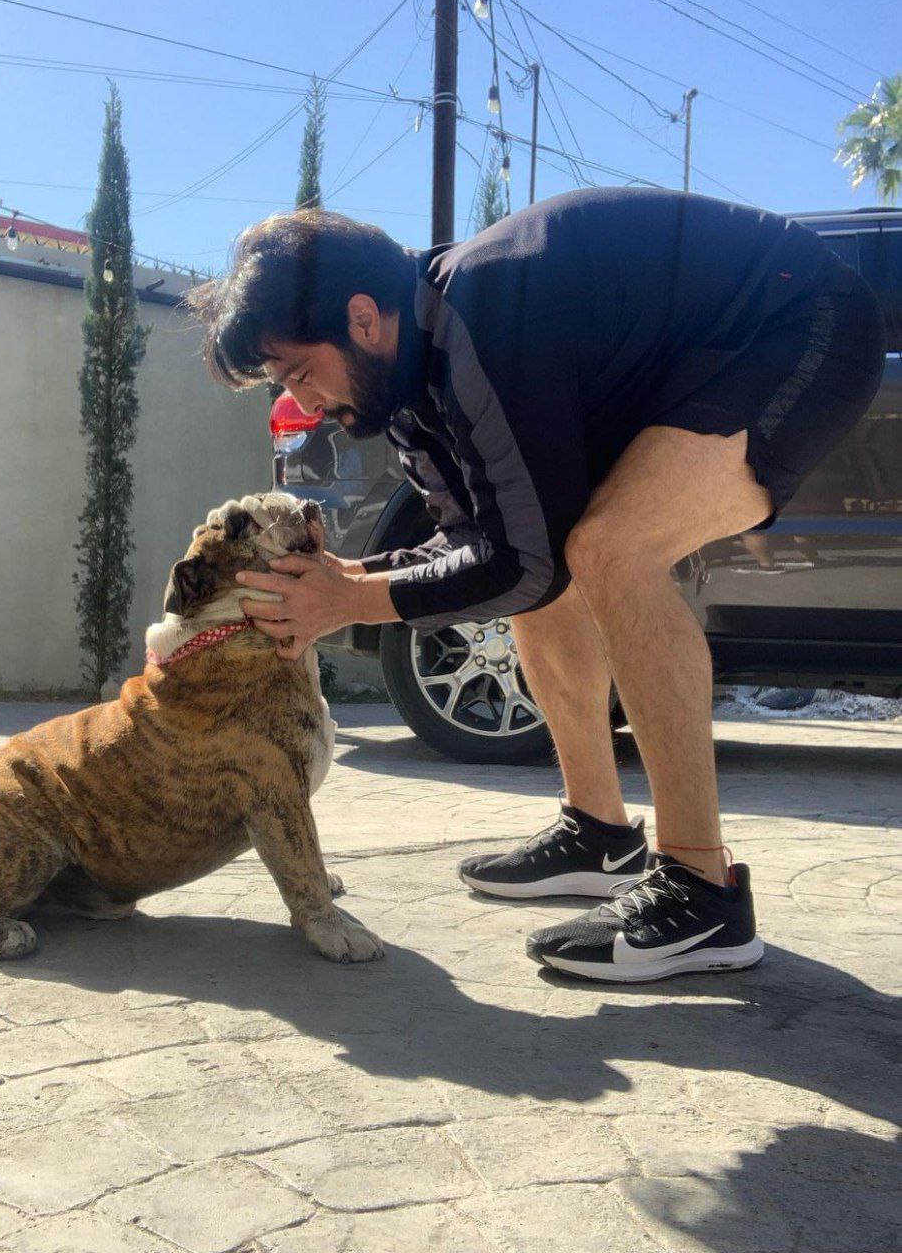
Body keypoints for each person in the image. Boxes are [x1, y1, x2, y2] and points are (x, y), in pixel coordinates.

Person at [193, 188, 886, 983]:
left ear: (360, 318)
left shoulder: (489, 316)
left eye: (298, 370)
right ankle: (598, 832)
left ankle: (704, 894)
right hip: (692, 362)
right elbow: (482, 547)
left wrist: (352, 601)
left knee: (607, 550)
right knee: (557, 547)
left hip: (802, 323)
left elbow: (518, 565)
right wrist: (356, 576)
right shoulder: (409, 390)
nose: (300, 400)